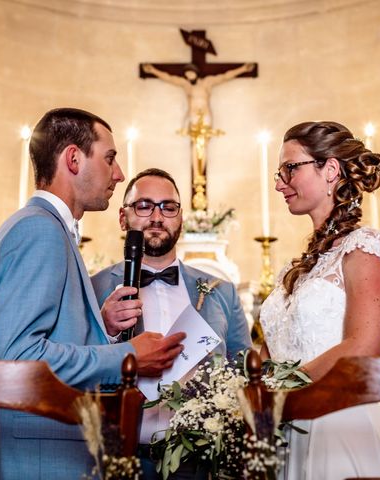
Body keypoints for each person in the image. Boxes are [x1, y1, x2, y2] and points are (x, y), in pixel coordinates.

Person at [0, 108, 186, 480]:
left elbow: (40, 339)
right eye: (110, 159)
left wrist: (100, 327)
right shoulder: (40, 232)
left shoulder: (41, 228)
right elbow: (20, 359)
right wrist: (127, 355)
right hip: (32, 456)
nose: (119, 173)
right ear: (73, 159)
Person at [259, 121, 380, 479]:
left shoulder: (363, 249)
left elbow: (363, 348)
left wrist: (279, 393)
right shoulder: (293, 270)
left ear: (330, 170)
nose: (279, 183)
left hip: (337, 423)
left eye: (289, 168)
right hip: (286, 430)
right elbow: (271, 351)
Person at [92, 168, 252, 479]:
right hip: (119, 455)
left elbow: (243, 370)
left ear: (180, 218)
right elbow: (78, 369)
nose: (157, 216)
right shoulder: (92, 288)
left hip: (200, 461)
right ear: (122, 218)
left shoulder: (221, 291)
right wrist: (107, 331)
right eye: (143, 206)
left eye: (168, 207)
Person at [142, 62, 256, 130]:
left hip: (205, 116)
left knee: (203, 146)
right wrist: (153, 70)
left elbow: (225, 76)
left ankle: (201, 170)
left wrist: (243, 69)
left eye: (190, 73)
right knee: (195, 147)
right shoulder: (186, 85)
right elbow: (169, 78)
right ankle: (197, 170)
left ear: (196, 72)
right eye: (187, 74)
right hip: (192, 116)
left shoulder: (207, 82)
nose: (188, 76)